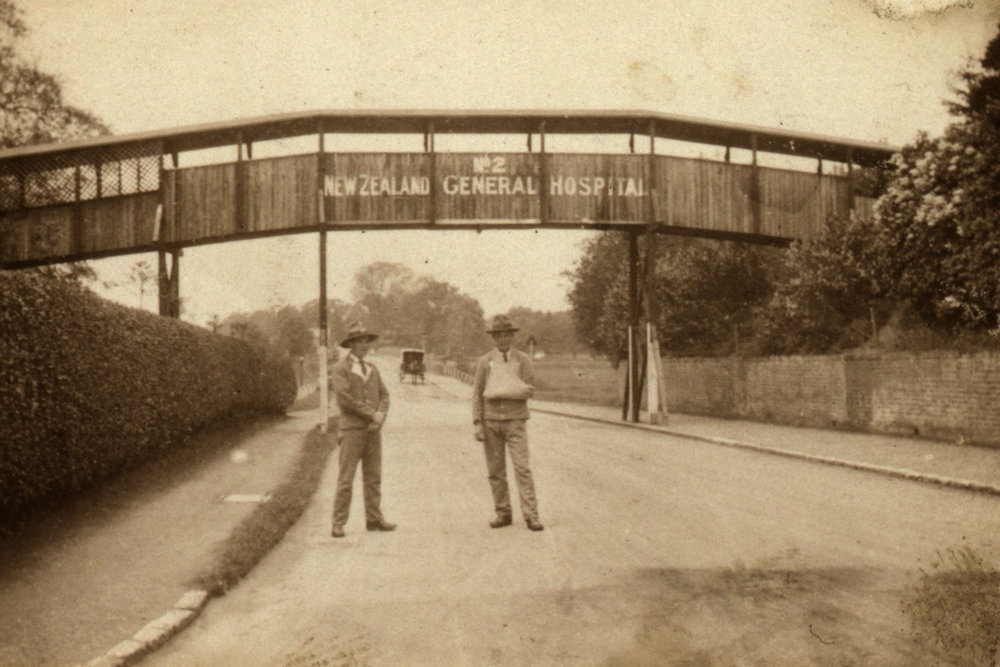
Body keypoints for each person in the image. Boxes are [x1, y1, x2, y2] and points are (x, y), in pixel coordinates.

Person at [472, 314, 544, 532]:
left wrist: (508, 390)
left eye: (507, 335)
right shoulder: (486, 361)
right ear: (494, 338)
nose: (503, 340)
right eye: (499, 336)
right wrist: (477, 422)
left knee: (522, 468)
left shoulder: (522, 360)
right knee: (496, 470)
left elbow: (529, 388)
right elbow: (478, 393)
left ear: (512, 337)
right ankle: (503, 512)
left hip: (515, 421)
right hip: (491, 421)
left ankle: (531, 515)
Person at [329, 322, 396, 538]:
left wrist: (380, 417)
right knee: (346, 479)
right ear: (351, 344)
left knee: (373, 478)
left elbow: (385, 395)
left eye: (366, 341)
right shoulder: (341, 368)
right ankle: (338, 523)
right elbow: (345, 399)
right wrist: (371, 413)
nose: (364, 345)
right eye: (359, 341)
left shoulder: (372, 368)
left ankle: (374, 519)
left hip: (373, 431)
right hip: (352, 431)